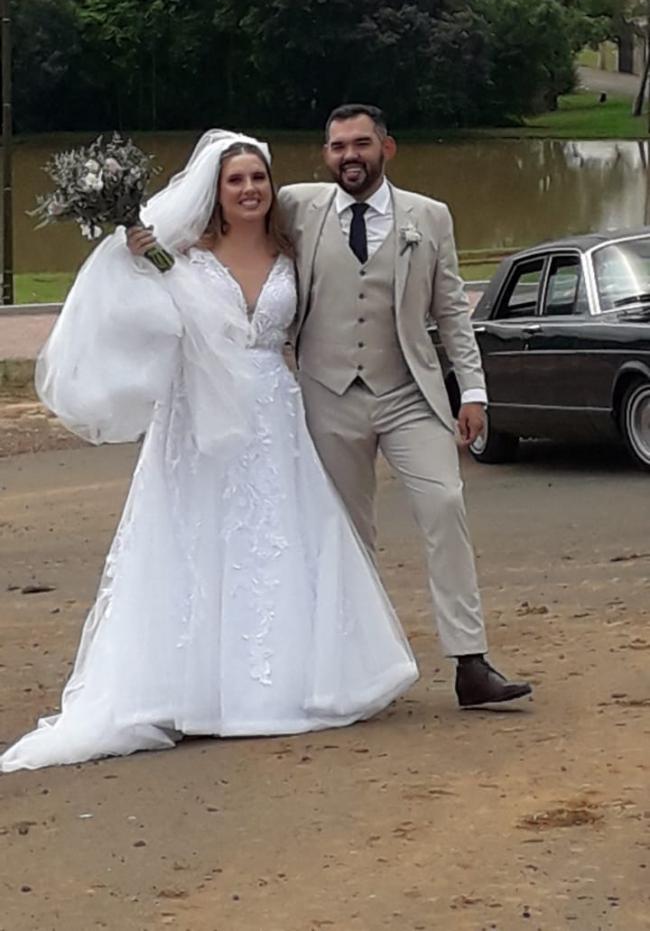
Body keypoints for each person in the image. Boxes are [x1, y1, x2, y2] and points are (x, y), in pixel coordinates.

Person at [0, 131, 417, 773]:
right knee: (196, 538)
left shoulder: (292, 249)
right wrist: (133, 258)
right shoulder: (181, 256)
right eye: (236, 180)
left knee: (277, 538)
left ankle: (281, 684)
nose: (249, 189)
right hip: (196, 416)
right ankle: (183, 688)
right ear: (215, 193)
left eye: (258, 178)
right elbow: (144, 317)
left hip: (273, 412)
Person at [278, 104, 532, 708]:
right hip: (326, 392)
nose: (349, 156)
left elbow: (451, 311)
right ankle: (357, 665)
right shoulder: (296, 206)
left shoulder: (429, 216)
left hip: (409, 392)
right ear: (325, 154)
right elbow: (227, 215)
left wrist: (474, 391)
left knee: (445, 503)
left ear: (386, 148)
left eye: (360, 144)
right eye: (338, 146)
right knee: (347, 530)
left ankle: (470, 663)